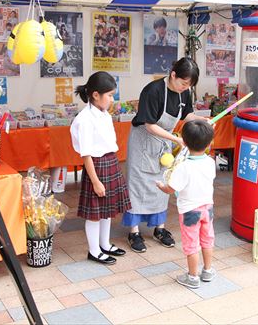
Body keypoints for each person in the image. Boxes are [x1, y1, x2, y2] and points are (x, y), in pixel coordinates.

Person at [123, 58, 207, 253]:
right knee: (138, 186)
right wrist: (176, 139)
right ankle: (134, 232)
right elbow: (150, 125)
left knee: (163, 184)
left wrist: (203, 119)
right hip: (143, 142)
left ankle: (159, 229)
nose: (186, 88)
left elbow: (187, 116)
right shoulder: (153, 91)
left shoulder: (183, 92)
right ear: (173, 75)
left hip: (163, 143)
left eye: (189, 85)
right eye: (183, 83)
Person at [70, 71, 131, 265]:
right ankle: (94, 250)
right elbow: (86, 154)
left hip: (109, 161)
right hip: (96, 166)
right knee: (95, 214)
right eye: (110, 95)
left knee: (107, 209)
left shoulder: (103, 113)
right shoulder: (85, 119)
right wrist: (95, 181)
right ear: (96, 95)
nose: (113, 99)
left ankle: (105, 244)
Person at [155, 120, 216, 289]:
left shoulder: (184, 167)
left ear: (185, 142)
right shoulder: (210, 162)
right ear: (209, 142)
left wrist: (161, 186)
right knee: (207, 239)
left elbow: (171, 188)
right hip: (207, 208)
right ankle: (208, 270)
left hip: (190, 211)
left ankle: (192, 277)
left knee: (191, 244)